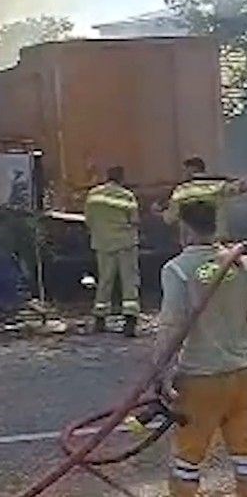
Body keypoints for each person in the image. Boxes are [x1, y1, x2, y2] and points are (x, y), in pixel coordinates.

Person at [158, 201, 247, 496]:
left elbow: (172, 326)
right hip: (242, 374)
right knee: (245, 457)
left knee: (187, 461)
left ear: (184, 228)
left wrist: (162, 373)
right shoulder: (239, 264)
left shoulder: (177, 269)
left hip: (200, 378)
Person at [84, 166, 141, 336]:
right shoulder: (127, 196)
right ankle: (130, 321)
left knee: (105, 280)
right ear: (122, 179)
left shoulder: (93, 195)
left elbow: (88, 219)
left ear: (107, 177)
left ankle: (100, 319)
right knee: (129, 280)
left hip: (102, 242)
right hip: (125, 243)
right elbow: (135, 220)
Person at [158, 157, 247, 242]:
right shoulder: (220, 186)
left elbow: (170, 218)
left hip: (193, 242)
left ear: (190, 170)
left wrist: (160, 212)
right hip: (219, 239)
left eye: (184, 171)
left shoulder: (182, 191)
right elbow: (241, 188)